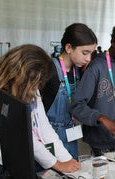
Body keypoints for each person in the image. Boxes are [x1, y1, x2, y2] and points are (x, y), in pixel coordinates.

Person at [0, 44, 80, 178]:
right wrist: (57, 164)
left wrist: (66, 159)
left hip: (38, 161)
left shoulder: (30, 88)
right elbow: (27, 138)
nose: (36, 88)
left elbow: (44, 126)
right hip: (14, 169)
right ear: (22, 75)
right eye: (35, 82)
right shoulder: (3, 101)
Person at [70, 20, 115, 156]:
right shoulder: (96, 67)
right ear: (113, 42)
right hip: (98, 142)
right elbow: (77, 106)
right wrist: (101, 118)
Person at [40, 23, 97, 160]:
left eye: (91, 53)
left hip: (70, 133)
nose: (88, 59)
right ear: (69, 48)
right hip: (49, 136)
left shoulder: (78, 71)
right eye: (85, 53)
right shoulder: (48, 70)